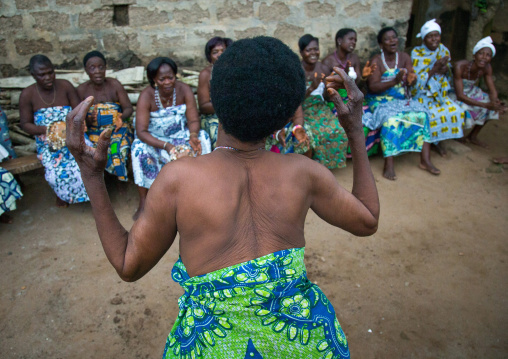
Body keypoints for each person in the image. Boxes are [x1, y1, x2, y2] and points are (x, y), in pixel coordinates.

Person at [67, 36, 379, 358]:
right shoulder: (304, 172)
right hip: (304, 340)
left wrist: (92, 176)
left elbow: (127, 264)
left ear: (215, 99)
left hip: (211, 346)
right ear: (287, 116)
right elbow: (367, 220)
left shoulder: (179, 179)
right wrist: (354, 129)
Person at [131, 57, 211, 220]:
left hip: (182, 135)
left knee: (203, 139)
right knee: (138, 149)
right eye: (162, 79)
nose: (167, 82)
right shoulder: (146, 95)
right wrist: (166, 145)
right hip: (156, 140)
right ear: (154, 79)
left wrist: (193, 136)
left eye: (171, 77)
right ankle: (144, 201)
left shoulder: (184, 90)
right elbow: (141, 131)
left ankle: (200, 194)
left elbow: (193, 120)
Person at [366, 27, 438, 180]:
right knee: (390, 120)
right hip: (380, 100)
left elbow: (411, 80)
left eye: (394, 37)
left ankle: (425, 160)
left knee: (423, 114)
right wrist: (395, 81)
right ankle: (389, 163)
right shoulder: (377, 61)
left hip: (401, 99)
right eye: (387, 39)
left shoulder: (404, 57)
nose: (392, 41)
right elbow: (372, 87)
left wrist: (412, 80)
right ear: (381, 44)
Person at [19, 54, 89, 207]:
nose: (48, 77)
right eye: (42, 75)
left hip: (75, 136)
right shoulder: (27, 94)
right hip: (48, 142)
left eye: (50, 72)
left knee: (86, 163)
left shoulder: (65, 86)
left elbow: (80, 112)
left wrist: (68, 129)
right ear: (33, 75)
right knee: (55, 172)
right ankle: (62, 194)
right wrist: (51, 129)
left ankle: (92, 195)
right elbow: (25, 124)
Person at [411, 19, 468, 156]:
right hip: (422, 94)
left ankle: (439, 141)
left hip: (440, 94)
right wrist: (435, 68)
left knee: (456, 111)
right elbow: (416, 82)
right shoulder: (416, 53)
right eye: (430, 36)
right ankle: (429, 146)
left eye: (436, 35)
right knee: (432, 115)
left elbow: (448, 73)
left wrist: (444, 69)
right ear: (424, 39)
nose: (434, 39)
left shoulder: (443, 50)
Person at [322, 28, 381, 158]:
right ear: (339, 41)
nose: (353, 42)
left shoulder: (354, 58)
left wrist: (363, 77)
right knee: (346, 119)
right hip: (336, 98)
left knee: (369, 119)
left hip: (353, 94)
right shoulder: (328, 62)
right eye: (350, 39)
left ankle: (363, 153)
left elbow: (358, 84)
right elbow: (325, 95)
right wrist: (334, 85)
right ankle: (348, 155)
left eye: (355, 40)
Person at [77, 51, 134, 181]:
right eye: (92, 68)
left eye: (101, 67)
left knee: (118, 150)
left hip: (117, 129)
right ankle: (101, 181)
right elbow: (78, 117)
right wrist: (88, 119)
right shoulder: (81, 90)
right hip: (93, 131)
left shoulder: (114, 85)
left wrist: (120, 117)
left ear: (105, 68)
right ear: (86, 70)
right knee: (93, 151)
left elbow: (128, 108)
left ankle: (120, 178)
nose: (97, 71)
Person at [299, 34, 348, 169]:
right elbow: (294, 100)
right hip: (302, 108)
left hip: (320, 106)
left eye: (316, 49)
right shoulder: (297, 70)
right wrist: (311, 89)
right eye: (309, 50)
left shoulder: (323, 68)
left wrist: (331, 86)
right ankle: (315, 169)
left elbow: (326, 97)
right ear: (301, 52)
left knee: (338, 130)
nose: (313, 53)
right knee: (316, 133)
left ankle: (326, 167)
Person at [449, 36, 507, 148]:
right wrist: (485, 105)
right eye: (481, 53)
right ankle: (456, 135)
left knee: (492, 108)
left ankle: (472, 136)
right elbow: (460, 96)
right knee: (464, 108)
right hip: (454, 92)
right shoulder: (460, 66)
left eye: (488, 55)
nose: (484, 58)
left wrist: (494, 101)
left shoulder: (487, 68)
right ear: (474, 55)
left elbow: (492, 90)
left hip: (471, 91)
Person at [197, 37, 233, 149]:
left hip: (234, 114)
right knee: (220, 135)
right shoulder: (206, 75)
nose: (220, 55)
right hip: (213, 117)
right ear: (209, 56)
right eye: (215, 52)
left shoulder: (237, 71)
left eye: (223, 51)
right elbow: (203, 107)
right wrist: (230, 104)